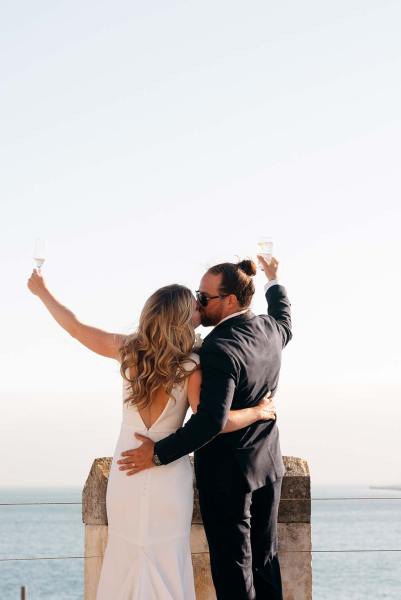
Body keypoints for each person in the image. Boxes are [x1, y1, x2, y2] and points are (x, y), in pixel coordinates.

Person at [27, 270, 276, 600]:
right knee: (166, 559)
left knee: (125, 553)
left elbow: (75, 327)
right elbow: (216, 422)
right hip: (168, 475)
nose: (201, 310)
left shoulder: (128, 351)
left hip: (126, 473)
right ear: (181, 319)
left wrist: (42, 292)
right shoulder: (192, 365)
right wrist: (259, 412)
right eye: (196, 307)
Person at [119, 255, 292, 600]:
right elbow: (284, 315)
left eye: (204, 297)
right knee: (265, 561)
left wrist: (158, 453)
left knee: (233, 569)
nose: (198, 303)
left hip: (229, 478)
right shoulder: (272, 331)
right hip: (269, 468)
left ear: (229, 300)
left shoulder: (218, 348)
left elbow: (211, 420)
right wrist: (274, 280)